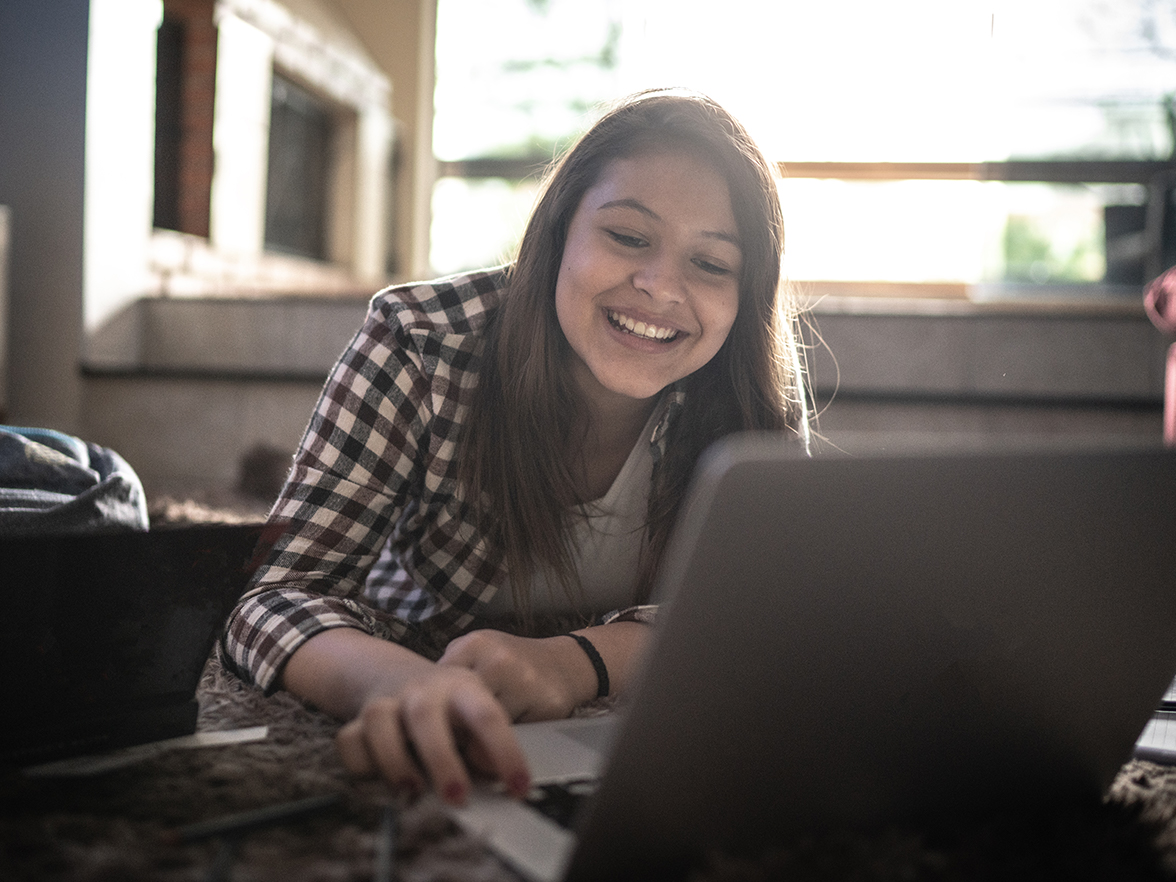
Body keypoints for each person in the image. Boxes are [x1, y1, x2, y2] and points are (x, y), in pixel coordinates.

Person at [221, 88, 811, 806]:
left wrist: (574, 665)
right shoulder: (419, 340)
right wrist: (407, 686)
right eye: (628, 237)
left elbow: (760, 613)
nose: (661, 287)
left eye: (712, 265)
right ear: (560, 229)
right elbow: (272, 596)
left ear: (745, 295)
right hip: (421, 641)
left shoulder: (742, 385)